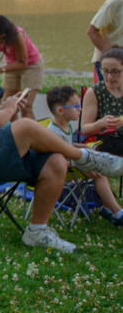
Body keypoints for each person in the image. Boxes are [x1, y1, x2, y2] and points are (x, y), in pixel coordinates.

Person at [0, 39, 123, 253]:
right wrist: (9, 109)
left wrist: (6, 107)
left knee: (56, 161)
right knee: (26, 126)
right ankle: (85, 157)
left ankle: (37, 232)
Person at [46, 85, 123, 226]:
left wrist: (81, 147)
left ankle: (109, 208)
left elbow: (67, 146)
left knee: (98, 165)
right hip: (62, 169)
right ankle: (116, 212)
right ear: (60, 110)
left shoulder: (66, 125)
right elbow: (56, 160)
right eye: (75, 106)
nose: (80, 109)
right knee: (99, 171)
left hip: (71, 163)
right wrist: (82, 166)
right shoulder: (54, 133)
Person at [0, 14, 44, 120]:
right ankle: (14, 129)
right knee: (8, 104)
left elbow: (23, 62)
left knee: (25, 106)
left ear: (8, 33)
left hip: (31, 66)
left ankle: (31, 130)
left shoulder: (17, 35)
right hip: (12, 65)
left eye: (2, 38)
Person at [81, 46, 123, 156]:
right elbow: (85, 129)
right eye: (105, 71)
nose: (109, 77)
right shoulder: (95, 92)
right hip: (109, 142)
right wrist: (101, 123)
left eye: (115, 72)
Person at [88, 0, 123, 83]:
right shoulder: (112, 5)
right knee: (108, 91)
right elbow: (92, 31)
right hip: (108, 63)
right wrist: (109, 54)